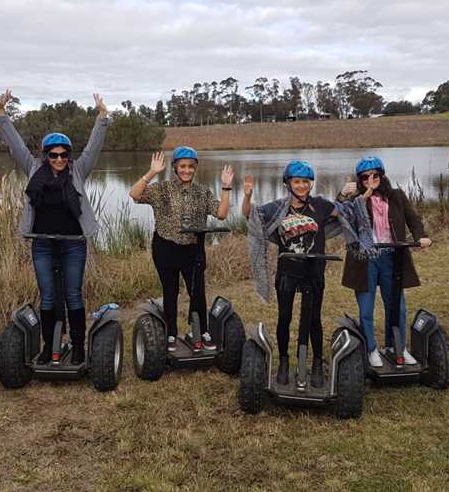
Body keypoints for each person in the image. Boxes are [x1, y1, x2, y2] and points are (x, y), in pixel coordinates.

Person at [0, 89, 109, 365]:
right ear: (45, 155)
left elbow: (94, 147)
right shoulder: (33, 169)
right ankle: (49, 347)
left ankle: (78, 346)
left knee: (72, 294)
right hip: (42, 242)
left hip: (73, 244)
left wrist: (102, 117)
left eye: (63, 154)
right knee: (46, 295)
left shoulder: (78, 170)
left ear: (69, 155)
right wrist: (1, 114)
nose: (59, 159)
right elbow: (16, 144)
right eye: (53, 155)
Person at [242, 160, 375, 388]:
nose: (302, 185)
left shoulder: (321, 205)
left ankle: (315, 363)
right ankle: (284, 361)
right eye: (297, 181)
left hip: (314, 272)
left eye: (305, 181)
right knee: (285, 318)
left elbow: (348, 211)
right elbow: (251, 217)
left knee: (313, 320)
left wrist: (360, 194)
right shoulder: (277, 208)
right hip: (287, 272)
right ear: (288, 183)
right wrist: (247, 197)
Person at [129, 147, 233, 353]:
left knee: (197, 292)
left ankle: (201, 331)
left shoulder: (202, 192)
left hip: (193, 249)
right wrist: (151, 173)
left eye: (190, 167)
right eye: (182, 166)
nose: (186, 170)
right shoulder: (162, 189)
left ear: (195, 168)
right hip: (165, 247)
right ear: (175, 167)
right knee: (171, 291)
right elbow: (134, 195)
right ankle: (171, 333)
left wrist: (226, 188)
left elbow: (221, 214)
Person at [336, 156, 431, 368]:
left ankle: (395, 346)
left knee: (397, 306)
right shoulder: (355, 200)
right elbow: (338, 213)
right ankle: (371, 349)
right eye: (365, 177)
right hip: (365, 259)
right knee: (367, 309)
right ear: (360, 181)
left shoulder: (396, 196)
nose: (371, 179)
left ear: (382, 175)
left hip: (393, 256)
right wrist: (344, 195)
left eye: (375, 175)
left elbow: (413, 218)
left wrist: (421, 236)